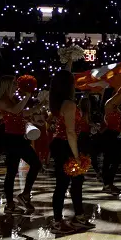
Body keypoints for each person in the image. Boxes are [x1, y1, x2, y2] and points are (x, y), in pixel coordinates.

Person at [47, 69, 90, 229]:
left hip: (62, 144)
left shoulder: (59, 102)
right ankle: (57, 221)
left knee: (75, 182)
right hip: (66, 145)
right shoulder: (69, 104)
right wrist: (77, 155)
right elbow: (70, 132)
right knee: (63, 184)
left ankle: (78, 215)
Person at [0, 75, 40, 215]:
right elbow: (15, 111)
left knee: (34, 165)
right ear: (7, 85)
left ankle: (23, 195)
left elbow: (23, 112)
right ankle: (11, 202)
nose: (16, 85)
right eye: (14, 83)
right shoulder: (2, 100)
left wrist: (39, 104)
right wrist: (27, 97)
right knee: (12, 171)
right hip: (11, 138)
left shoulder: (13, 99)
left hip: (20, 138)